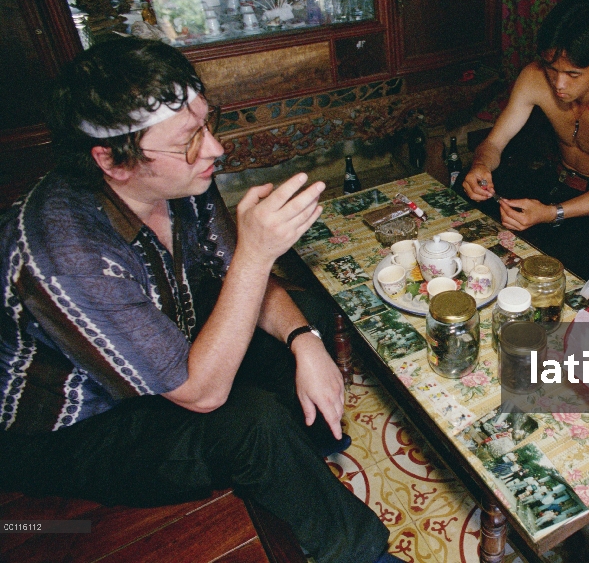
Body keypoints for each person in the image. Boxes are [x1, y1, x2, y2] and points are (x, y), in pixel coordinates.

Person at [0, 37, 403, 563]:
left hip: (162, 351)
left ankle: (304, 451)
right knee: (247, 422)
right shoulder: (63, 252)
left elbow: (242, 280)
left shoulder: (180, 185)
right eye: (189, 140)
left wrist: (306, 343)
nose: (213, 149)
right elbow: (202, 394)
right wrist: (258, 253)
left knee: (310, 317)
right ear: (112, 160)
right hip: (77, 428)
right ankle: (359, 554)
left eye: (208, 125)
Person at [462, 0, 589, 277]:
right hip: (555, 183)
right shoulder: (534, 76)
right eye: (552, 69)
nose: (559, 84)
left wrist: (550, 213)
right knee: (471, 217)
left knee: (548, 269)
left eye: (573, 74)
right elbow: (495, 142)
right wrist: (480, 165)